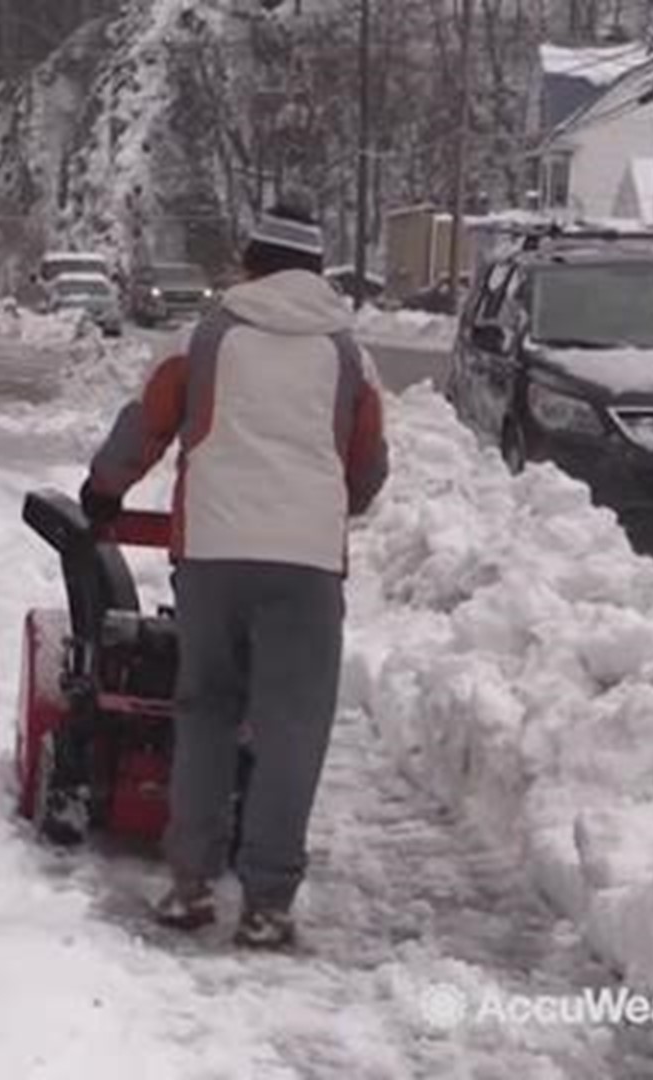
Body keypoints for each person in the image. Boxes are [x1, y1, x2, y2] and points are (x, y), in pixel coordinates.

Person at [79, 204, 389, 951]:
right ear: (317, 272)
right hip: (307, 566)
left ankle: (189, 885)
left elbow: (148, 422)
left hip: (214, 554)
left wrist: (105, 489)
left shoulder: (208, 337)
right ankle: (268, 903)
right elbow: (369, 467)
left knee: (206, 710)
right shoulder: (349, 355)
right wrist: (320, 504)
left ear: (250, 260)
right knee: (290, 728)